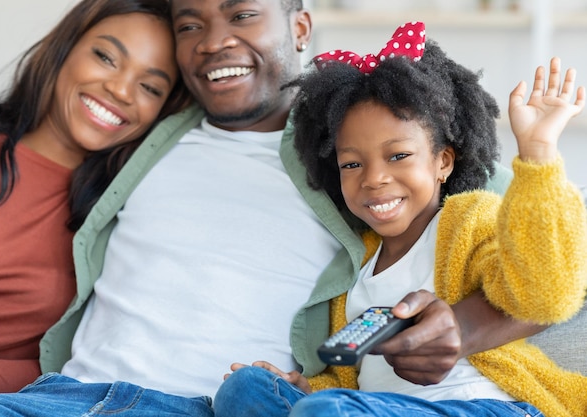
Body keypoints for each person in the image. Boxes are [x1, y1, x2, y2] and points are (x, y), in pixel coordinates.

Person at [0, 1, 555, 415]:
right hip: (58, 398)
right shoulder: (146, 134)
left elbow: (556, 257)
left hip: (209, 402)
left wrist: (463, 330)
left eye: (243, 14)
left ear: (300, 27)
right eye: (190, 24)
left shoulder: (358, 146)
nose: (214, 39)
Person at [213, 22, 587, 417]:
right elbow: (353, 382)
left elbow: (543, 295)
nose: (373, 178)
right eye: (352, 163)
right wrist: (306, 387)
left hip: (481, 407)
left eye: (397, 156)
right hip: (374, 409)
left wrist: (538, 154)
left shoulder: (468, 222)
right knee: (244, 390)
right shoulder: (356, 271)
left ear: (443, 161)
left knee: (324, 411)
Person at [0, 0, 189, 394]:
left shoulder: (120, 222)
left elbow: (63, 369)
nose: (119, 90)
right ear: (65, 48)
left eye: (150, 87)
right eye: (106, 57)